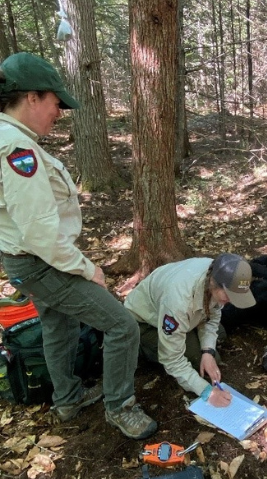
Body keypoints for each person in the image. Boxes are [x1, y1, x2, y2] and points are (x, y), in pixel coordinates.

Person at [0, 52, 158, 439]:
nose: (59, 111)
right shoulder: (17, 150)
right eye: (56, 102)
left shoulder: (12, 139)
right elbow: (40, 232)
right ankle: (121, 407)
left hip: (26, 260)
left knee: (58, 324)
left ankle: (68, 399)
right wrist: (89, 269)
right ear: (32, 97)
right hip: (39, 260)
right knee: (121, 326)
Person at [124, 253, 257, 407]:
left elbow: (212, 314)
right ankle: (140, 348)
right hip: (144, 322)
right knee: (194, 360)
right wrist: (207, 392)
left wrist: (208, 351)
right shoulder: (178, 302)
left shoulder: (216, 273)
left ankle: (186, 336)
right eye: (229, 295)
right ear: (214, 282)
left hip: (180, 314)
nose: (231, 301)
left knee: (218, 336)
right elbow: (172, 359)